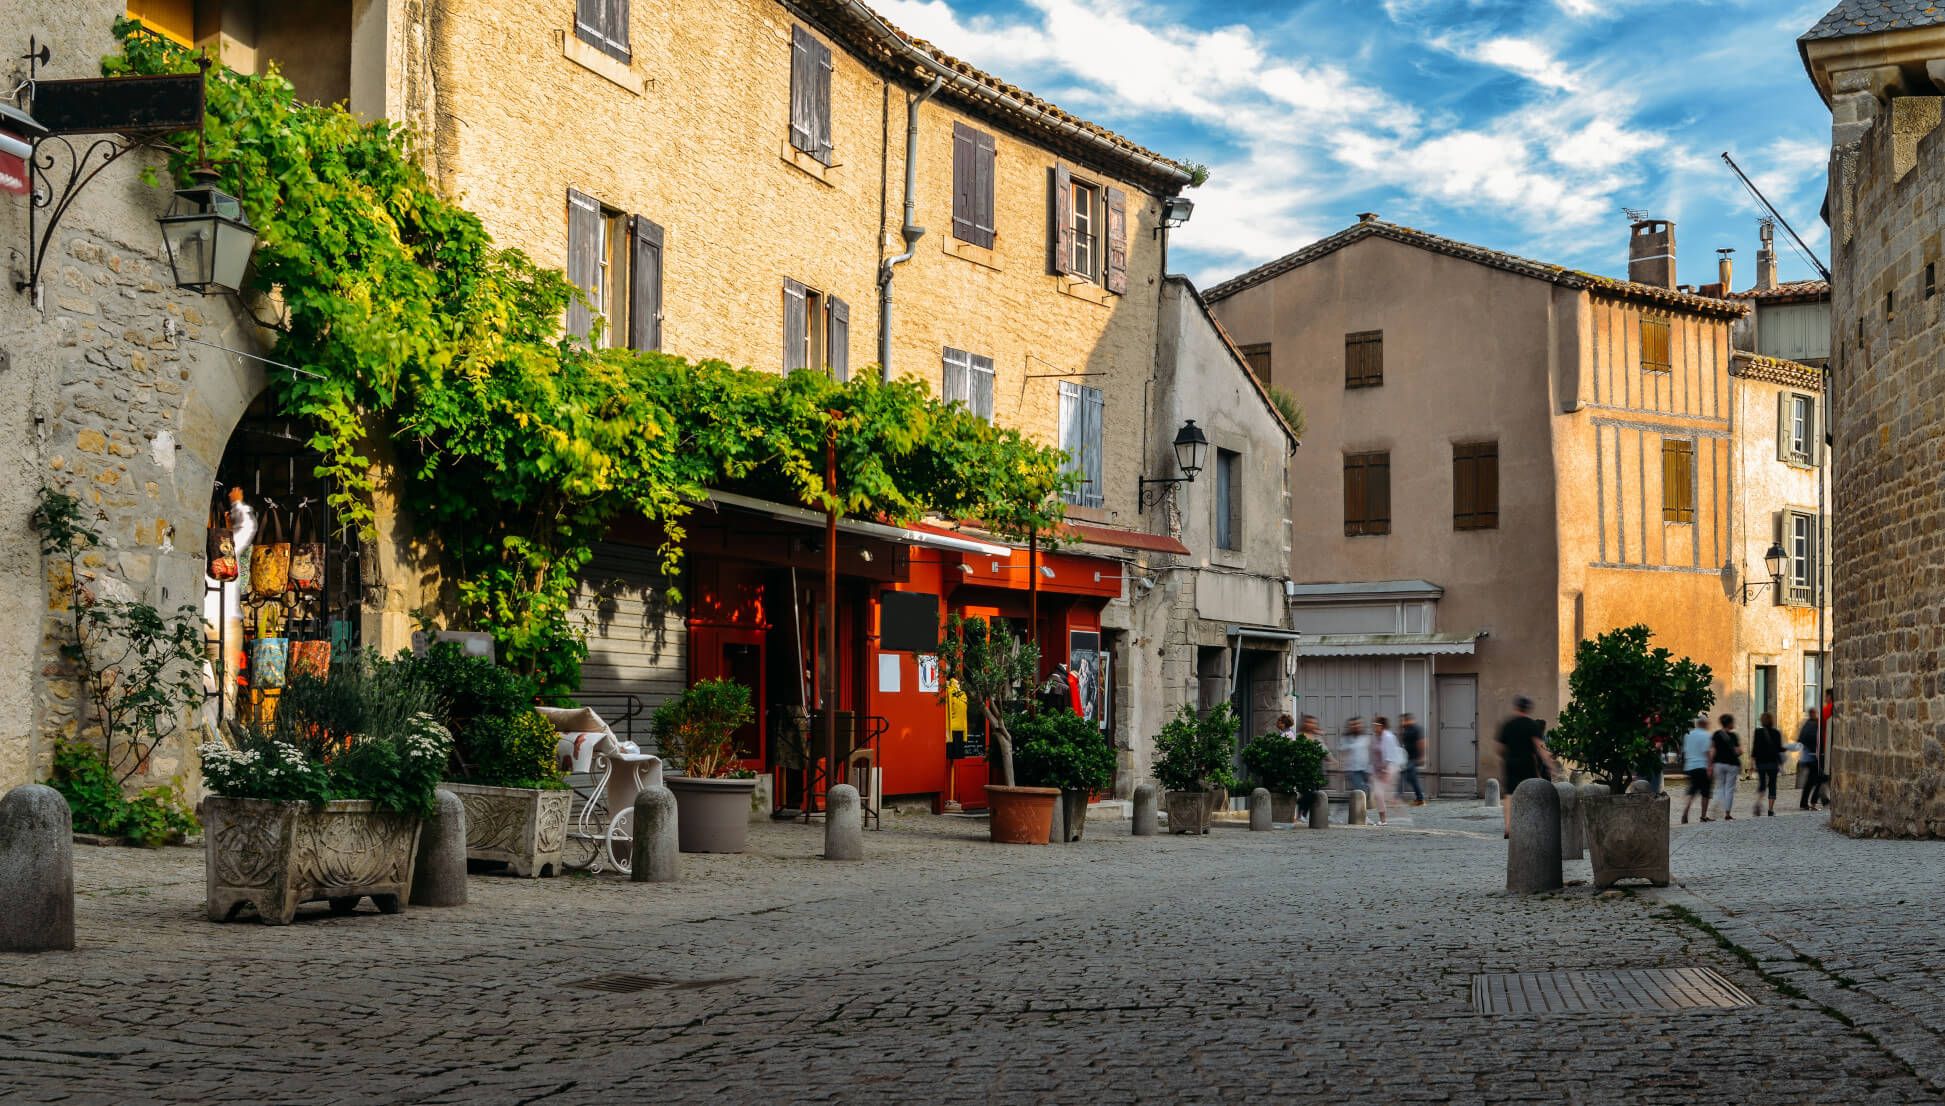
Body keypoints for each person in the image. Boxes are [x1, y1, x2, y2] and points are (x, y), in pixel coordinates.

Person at [1496, 696, 1557, 839]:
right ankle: (1533, 822)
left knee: (1509, 795)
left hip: (1510, 762)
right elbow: (1540, 747)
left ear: (1516, 708)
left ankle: (1508, 827)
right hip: (1527, 762)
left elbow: (1499, 748)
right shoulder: (1531, 725)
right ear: (1527, 709)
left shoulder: (1508, 724)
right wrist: (1550, 765)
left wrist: (1506, 758)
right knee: (1532, 791)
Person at [1680, 714, 1714, 824]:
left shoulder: (1688, 734)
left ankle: (1685, 812)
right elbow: (1707, 752)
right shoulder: (1706, 735)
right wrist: (1710, 767)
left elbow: (1685, 751)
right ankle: (1703, 816)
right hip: (1702, 766)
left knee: (1692, 791)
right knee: (1705, 792)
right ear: (1704, 724)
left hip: (1690, 767)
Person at [1750, 712, 1784, 817]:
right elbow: (1779, 749)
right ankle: (1770, 809)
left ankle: (1758, 802)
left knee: (1762, 784)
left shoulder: (1758, 732)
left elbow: (1754, 749)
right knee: (1772, 785)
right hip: (1773, 763)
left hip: (1761, 763)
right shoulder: (1776, 733)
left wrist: (1752, 764)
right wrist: (1781, 763)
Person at [1710, 713, 1742, 821]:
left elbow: (1713, 750)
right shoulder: (1734, 736)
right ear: (1729, 723)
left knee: (1719, 787)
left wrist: (1710, 764)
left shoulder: (1716, 734)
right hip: (1732, 765)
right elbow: (1738, 751)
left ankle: (1716, 808)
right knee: (1729, 789)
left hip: (1718, 764)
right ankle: (1727, 813)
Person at [1370, 716, 1401, 825]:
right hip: (1377, 769)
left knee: (1381, 794)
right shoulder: (1375, 737)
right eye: (1373, 725)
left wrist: (1385, 771)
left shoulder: (1388, 737)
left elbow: (1390, 755)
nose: (1374, 727)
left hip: (1389, 768)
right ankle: (1384, 818)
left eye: (1376, 725)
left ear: (1382, 726)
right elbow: (1373, 754)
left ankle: (1388, 817)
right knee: (1379, 794)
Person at [1795, 707, 1825, 810]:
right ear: (1814, 714)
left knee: (1812, 781)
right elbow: (1815, 740)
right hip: (1812, 758)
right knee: (1819, 779)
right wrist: (1818, 752)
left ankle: (1807, 802)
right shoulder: (1814, 724)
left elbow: (1801, 738)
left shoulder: (1807, 724)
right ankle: (1813, 802)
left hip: (1807, 757)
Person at [1340, 717, 1371, 813]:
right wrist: (1341, 767)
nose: (1356, 726)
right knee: (1361, 792)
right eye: (1354, 724)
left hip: (1365, 770)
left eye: (1358, 724)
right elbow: (1343, 753)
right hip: (1353, 770)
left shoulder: (1365, 738)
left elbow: (1369, 753)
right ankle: (1361, 815)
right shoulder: (1346, 739)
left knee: (1359, 792)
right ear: (1350, 726)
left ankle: (1339, 813)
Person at [1396, 712, 1426, 806]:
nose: (1402, 722)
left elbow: (1422, 742)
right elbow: (1401, 741)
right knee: (1412, 778)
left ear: (1408, 720)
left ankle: (1397, 798)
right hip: (1407, 758)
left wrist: (1422, 756)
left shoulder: (1416, 729)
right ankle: (1420, 799)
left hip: (1414, 758)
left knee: (1402, 775)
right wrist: (1400, 728)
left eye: (1404, 720)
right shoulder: (1406, 729)